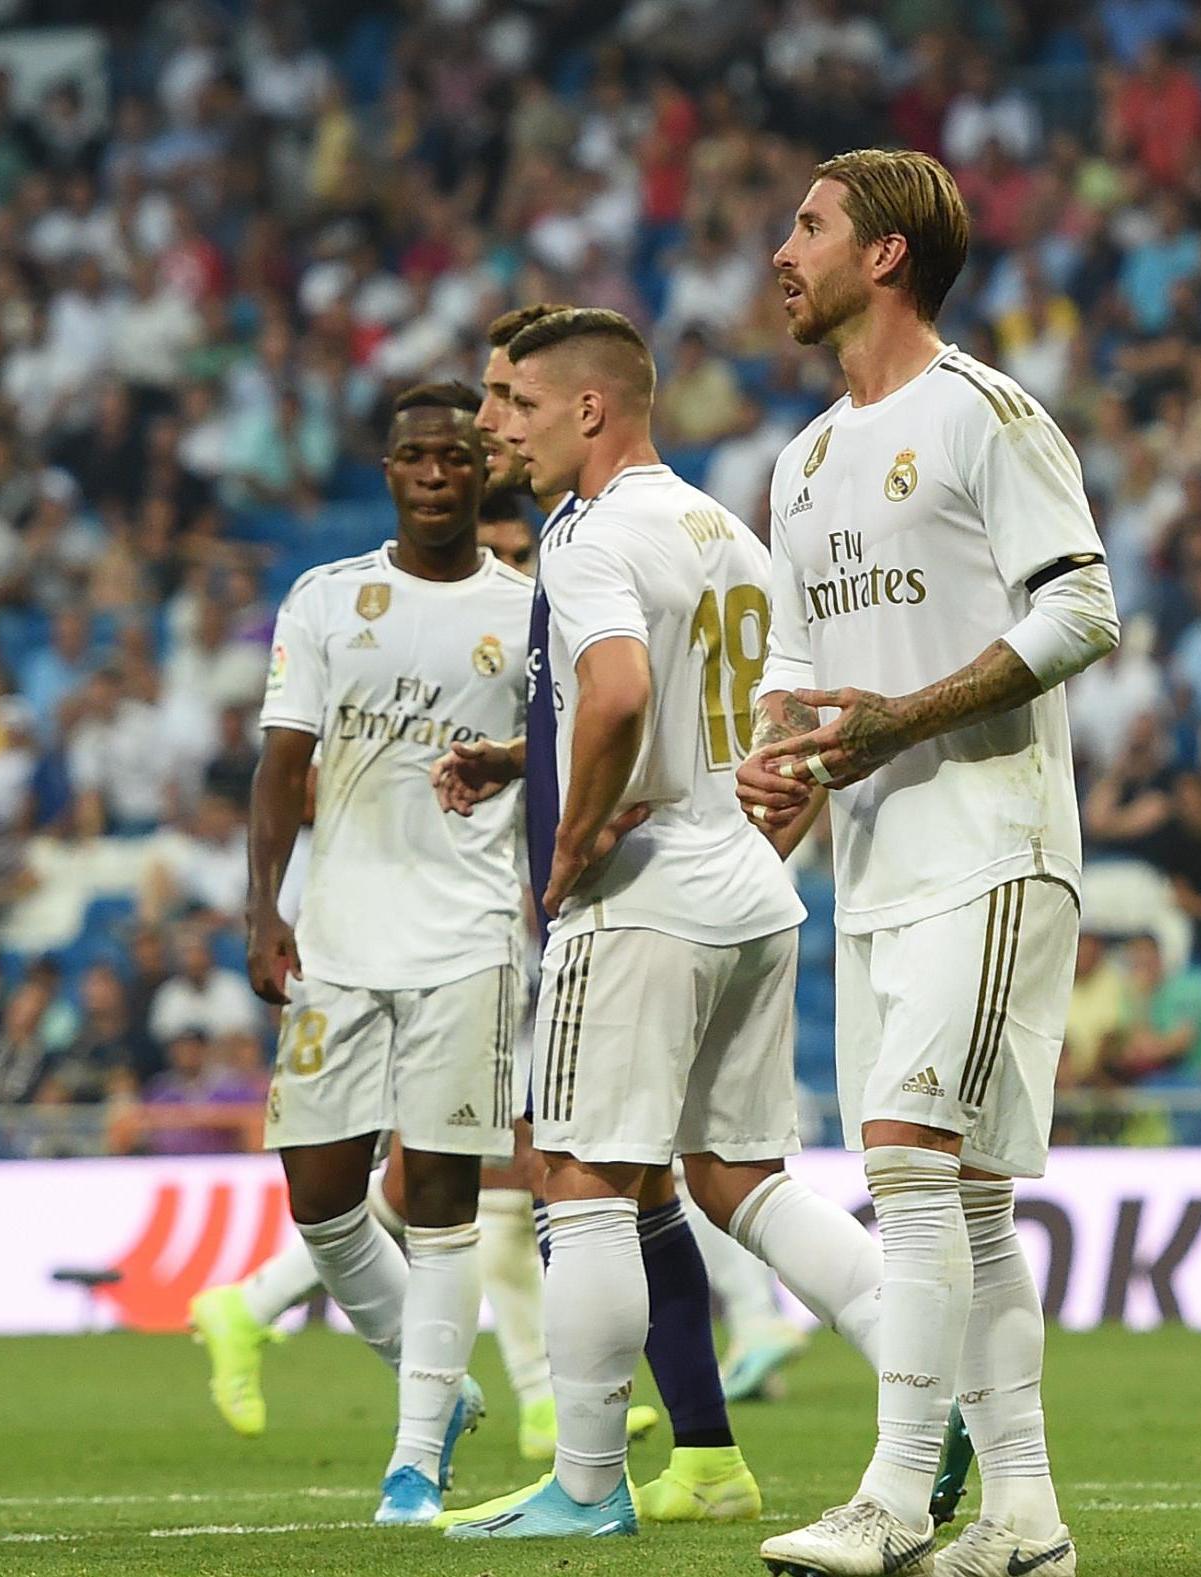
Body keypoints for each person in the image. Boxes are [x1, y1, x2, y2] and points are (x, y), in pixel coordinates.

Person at [440, 307, 884, 1539]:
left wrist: (578, 833)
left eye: (515, 404)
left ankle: (585, 1483)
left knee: (575, 1177)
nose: (496, 430)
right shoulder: (718, 526)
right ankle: (930, 1388)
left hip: (643, 899)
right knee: (739, 1175)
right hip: (745, 885)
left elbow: (622, 691)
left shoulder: (586, 534)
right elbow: (744, 706)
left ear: (590, 408)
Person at [740, 148, 1119, 1577]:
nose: (782, 252)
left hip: (993, 839)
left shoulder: (983, 414)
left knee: (904, 1161)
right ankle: (1024, 1519)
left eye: (809, 226)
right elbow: (800, 662)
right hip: (878, 860)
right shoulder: (807, 457)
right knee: (961, 1198)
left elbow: (1082, 610)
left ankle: (897, 1498)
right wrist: (778, 754)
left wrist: (898, 717)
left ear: (885, 254)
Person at [240, 381, 533, 1524]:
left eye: (454, 456)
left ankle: (414, 1458)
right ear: (390, 471)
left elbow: (563, 754)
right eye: (413, 455)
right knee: (320, 1191)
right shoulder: (325, 599)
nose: (433, 472)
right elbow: (279, 765)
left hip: (466, 936)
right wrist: (266, 907)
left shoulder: (527, 610)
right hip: (342, 935)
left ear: (479, 470)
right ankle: (439, 1381)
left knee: (448, 1199)